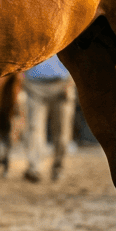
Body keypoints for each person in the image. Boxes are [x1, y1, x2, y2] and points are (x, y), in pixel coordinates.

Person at [22, 54, 76, 182]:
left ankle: (58, 167)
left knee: (62, 131)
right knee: (34, 128)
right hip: (34, 86)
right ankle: (34, 168)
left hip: (62, 85)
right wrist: (22, 79)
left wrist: (71, 82)